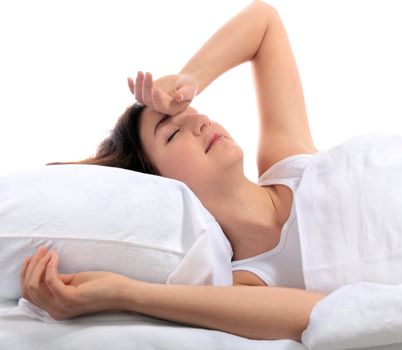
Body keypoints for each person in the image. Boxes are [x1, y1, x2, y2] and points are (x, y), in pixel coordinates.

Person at [20, 0, 326, 342]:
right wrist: (122, 292)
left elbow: (264, 21)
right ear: (158, 184)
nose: (200, 120)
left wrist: (188, 79)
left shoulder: (290, 162)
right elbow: (322, 313)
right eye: (173, 131)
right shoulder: (249, 280)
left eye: (193, 109)